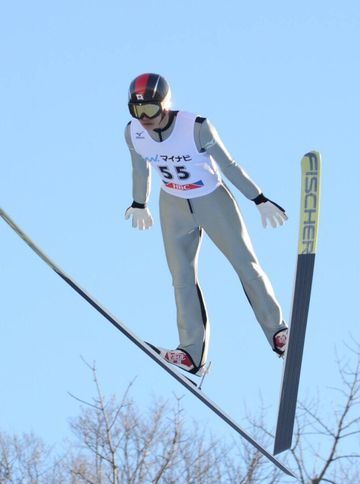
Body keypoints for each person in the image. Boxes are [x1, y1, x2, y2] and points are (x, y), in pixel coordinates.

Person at [124, 73, 289, 376]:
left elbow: (229, 165)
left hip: (211, 200)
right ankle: (191, 353)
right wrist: (139, 203)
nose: (144, 119)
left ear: (166, 105)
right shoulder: (133, 132)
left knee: (245, 264)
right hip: (172, 206)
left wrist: (259, 199)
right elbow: (140, 170)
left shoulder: (196, 127)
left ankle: (278, 332)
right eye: (137, 112)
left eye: (149, 111)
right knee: (181, 278)